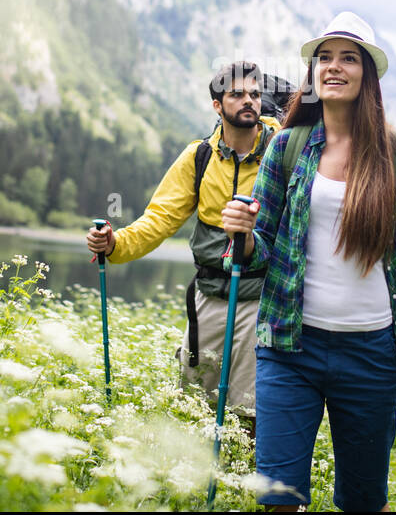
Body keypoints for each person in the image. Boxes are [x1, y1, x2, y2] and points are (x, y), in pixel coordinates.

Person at [221, 12, 396, 512]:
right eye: (324, 58)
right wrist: (242, 233)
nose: (333, 67)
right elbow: (259, 246)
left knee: (364, 501)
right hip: (287, 346)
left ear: (367, 74)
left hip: (370, 353)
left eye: (348, 58)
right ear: (313, 73)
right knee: (277, 496)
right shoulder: (287, 146)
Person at [85, 61, 279, 425]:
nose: (248, 101)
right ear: (217, 105)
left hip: (262, 298)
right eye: (236, 95)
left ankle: (242, 481)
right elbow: (159, 220)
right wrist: (114, 244)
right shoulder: (198, 157)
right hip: (208, 295)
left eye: (254, 94)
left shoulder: (280, 150)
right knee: (194, 404)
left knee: (250, 410)